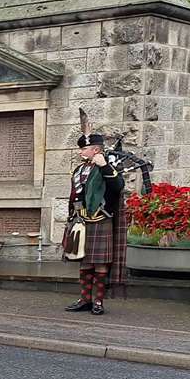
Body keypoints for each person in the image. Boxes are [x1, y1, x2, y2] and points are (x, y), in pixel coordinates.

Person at [63, 129, 127, 317]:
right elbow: (74, 194)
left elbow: (118, 186)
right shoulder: (80, 169)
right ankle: (85, 299)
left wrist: (105, 166)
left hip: (101, 219)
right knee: (84, 262)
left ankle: (98, 301)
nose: (80, 152)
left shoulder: (108, 166)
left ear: (96, 150)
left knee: (100, 263)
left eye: (84, 148)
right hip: (81, 220)